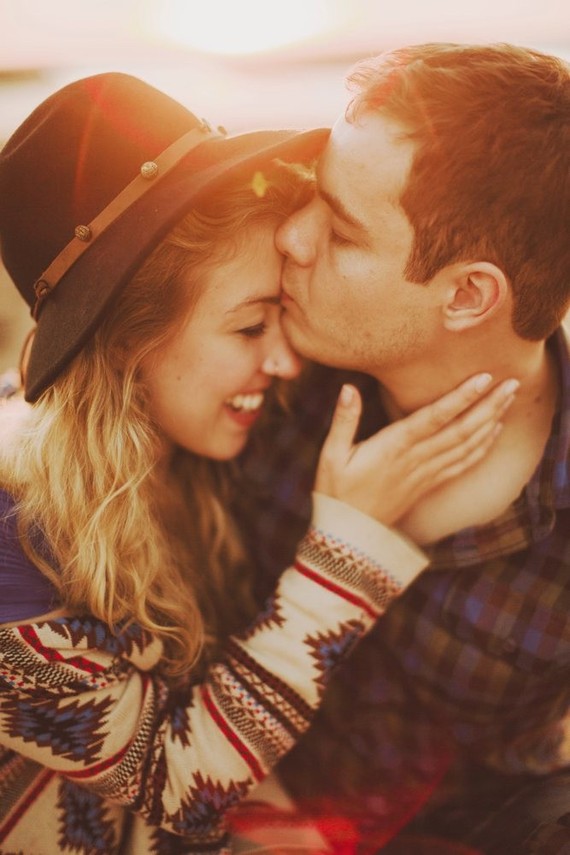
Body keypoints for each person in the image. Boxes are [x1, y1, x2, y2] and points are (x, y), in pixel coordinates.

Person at [0, 73, 515, 854]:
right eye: (248, 328)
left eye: (283, 311)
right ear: (127, 341)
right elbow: (175, 785)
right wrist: (348, 549)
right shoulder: (12, 548)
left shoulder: (190, 459)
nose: (286, 360)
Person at [235, 42, 570, 853]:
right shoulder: (271, 356)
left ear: (467, 294)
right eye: (311, 196)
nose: (293, 238)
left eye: (343, 232)